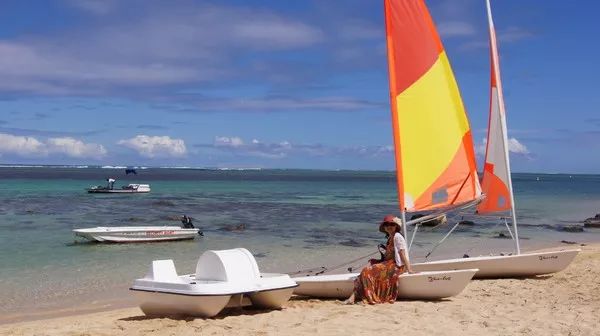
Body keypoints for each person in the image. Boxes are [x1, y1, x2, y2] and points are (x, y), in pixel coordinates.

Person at [344, 214, 415, 304]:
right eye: (387, 225)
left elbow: (402, 254)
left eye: (392, 224)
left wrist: (409, 269)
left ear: (396, 226)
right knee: (362, 274)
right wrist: (378, 261)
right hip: (389, 264)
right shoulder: (390, 238)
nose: (389, 226)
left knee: (366, 271)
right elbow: (389, 255)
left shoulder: (397, 237)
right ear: (384, 227)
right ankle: (352, 298)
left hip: (396, 266)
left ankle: (370, 298)